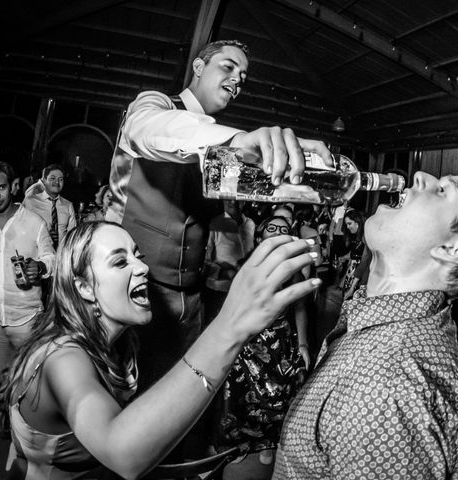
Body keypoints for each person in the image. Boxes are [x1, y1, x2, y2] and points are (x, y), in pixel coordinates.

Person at [1, 220, 320, 479]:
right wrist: (230, 327)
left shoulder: (121, 339)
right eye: (120, 261)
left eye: (137, 255)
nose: (141, 267)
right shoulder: (62, 357)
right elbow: (121, 451)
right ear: (83, 286)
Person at [105, 39, 331, 391]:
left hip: (192, 297)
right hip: (136, 291)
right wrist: (240, 140)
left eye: (242, 75)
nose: (237, 79)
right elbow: (148, 130)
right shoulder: (156, 105)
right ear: (198, 67)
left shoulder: (220, 140)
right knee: (129, 389)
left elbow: (222, 227)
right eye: (228, 67)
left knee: (181, 390)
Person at [273, 171, 458, 480]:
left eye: (443, 190)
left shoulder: (387, 388)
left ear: (450, 250)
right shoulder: (402, 335)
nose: (419, 176)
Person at [215, 215, 311, 478]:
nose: (278, 231)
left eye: (283, 229)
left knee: (278, 397)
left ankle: (269, 444)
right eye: (272, 227)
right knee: (242, 397)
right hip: (251, 340)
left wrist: (302, 342)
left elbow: (300, 306)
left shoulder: (294, 270)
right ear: (259, 236)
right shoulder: (247, 266)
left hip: (280, 341)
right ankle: (243, 445)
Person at [0, 161, 55, 436]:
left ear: (11, 187)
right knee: (3, 377)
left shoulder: (33, 222)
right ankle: (7, 413)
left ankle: (28, 426)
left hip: (27, 319)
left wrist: (42, 267)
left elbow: (52, 256)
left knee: (31, 377)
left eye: (1, 187)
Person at [203, 200, 255, 324]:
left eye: (237, 198)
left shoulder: (250, 224)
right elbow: (203, 261)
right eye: (228, 198)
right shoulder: (214, 223)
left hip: (245, 291)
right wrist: (226, 273)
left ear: (244, 201)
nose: (233, 202)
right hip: (219, 292)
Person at [22, 164, 77, 250]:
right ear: (44, 180)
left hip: (60, 255)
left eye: (61, 179)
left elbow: (72, 235)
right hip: (36, 255)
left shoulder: (68, 205)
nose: (57, 182)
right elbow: (20, 230)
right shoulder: (30, 202)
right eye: (52, 178)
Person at [338, 208, 366, 294]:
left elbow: (365, 259)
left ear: (358, 222)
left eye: (349, 223)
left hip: (359, 274)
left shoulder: (365, 237)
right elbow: (355, 252)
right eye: (346, 224)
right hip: (352, 270)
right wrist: (344, 257)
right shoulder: (356, 236)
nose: (347, 227)